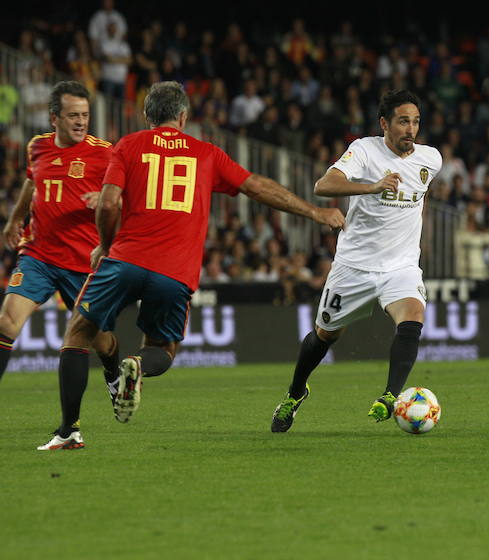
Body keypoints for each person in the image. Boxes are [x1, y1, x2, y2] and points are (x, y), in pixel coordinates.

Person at [47, 81, 344, 450]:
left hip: (124, 260)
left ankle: (69, 431)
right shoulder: (206, 154)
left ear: (146, 116)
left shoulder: (129, 145)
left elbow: (108, 204)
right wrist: (315, 212)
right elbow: (257, 187)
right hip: (174, 272)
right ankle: (137, 365)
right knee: (162, 350)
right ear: (183, 117)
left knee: (78, 331)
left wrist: (105, 247)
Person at [269, 89, 442, 433]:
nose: (411, 129)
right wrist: (372, 187)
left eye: (416, 121)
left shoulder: (431, 159)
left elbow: (419, 201)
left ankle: (392, 396)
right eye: (403, 121)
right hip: (354, 266)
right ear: (384, 124)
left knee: (414, 316)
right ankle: (294, 392)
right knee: (324, 335)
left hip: (400, 266)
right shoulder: (365, 150)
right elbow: (324, 185)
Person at [0, 81, 121, 449]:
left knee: (98, 341)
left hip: (83, 262)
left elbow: (126, 193)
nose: (81, 122)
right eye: (73, 116)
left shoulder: (105, 153)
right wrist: (15, 219)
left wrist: (104, 197)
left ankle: (114, 370)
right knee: (6, 320)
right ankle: (72, 429)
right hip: (37, 254)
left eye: (85, 115)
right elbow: (31, 182)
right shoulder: (37, 146)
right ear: (55, 118)